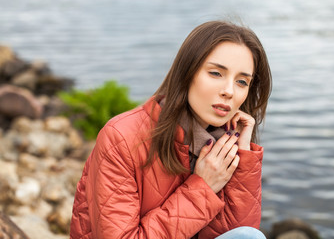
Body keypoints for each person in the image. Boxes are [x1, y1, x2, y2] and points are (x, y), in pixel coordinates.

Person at [70, 20, 272, 239]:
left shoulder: (223, 145)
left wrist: (243, 159)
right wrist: (202, 188)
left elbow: (235, 232)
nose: (229, 91)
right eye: (216, 73)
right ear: (187, 73)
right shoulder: (121, 137)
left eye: (242, 82)